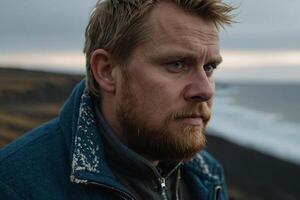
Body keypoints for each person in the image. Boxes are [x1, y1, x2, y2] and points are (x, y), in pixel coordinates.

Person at [0, 0, 234, 199]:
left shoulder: (206, 174)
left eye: (209, 67)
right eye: (176, 64)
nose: (205, 90)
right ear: (107, 71)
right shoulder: (14, 185)